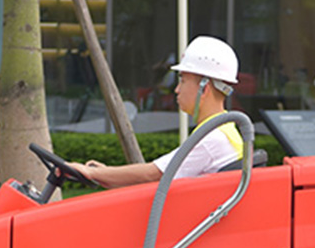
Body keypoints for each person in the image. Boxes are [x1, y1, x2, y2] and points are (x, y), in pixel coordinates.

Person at [68, 36, 243, 188]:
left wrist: (92, 173)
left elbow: (152, 174)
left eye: (182, 81)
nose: (176, 89)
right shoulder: (223, 132)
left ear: (203, 89)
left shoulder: (211, 139)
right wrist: (105, 173)